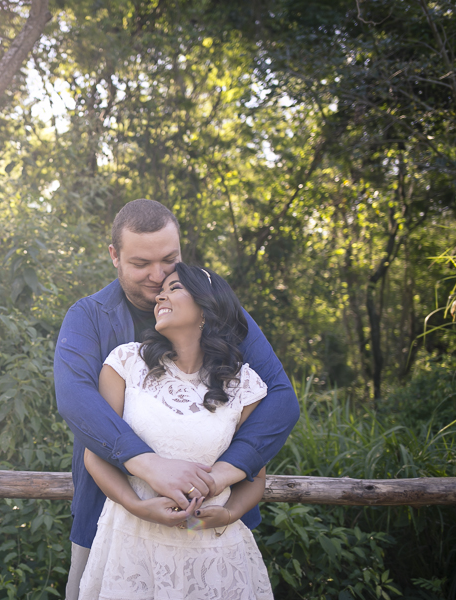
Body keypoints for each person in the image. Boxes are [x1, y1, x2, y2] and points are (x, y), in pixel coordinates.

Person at [54, 199, 298, 599]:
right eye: (140, 264)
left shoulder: (221, 314)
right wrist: (147, 464)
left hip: (210, 529)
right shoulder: (90, 318)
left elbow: (281, 400)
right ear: (114, 256)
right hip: (111, 522)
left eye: (169, 260)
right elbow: (76, 399)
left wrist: (221, 478)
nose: (157, 276)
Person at [78, 263, 273, 598]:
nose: (161, 295)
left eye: (175, 288)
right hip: (133, 544)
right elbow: (95, 456)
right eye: (161, 290)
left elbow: (254, 475)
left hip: (210, 550)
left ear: (205, 309)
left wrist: (228, 513)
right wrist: (138, 507)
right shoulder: (125, 364)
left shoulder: (243, 386)